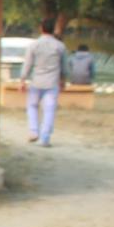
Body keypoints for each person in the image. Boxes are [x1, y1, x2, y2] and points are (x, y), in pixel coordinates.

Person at [20, 17, 68, 146]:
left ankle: (34, 131)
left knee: (32, 106)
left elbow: (28, 64)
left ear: (41, 29)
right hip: (52, 83)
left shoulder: (34, 45)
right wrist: (63, 80)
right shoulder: (60, 46)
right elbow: (64, 67)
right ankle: (45, 138)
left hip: (36, 82)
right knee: (49, 109)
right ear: (53, 30)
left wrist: (23, 80)